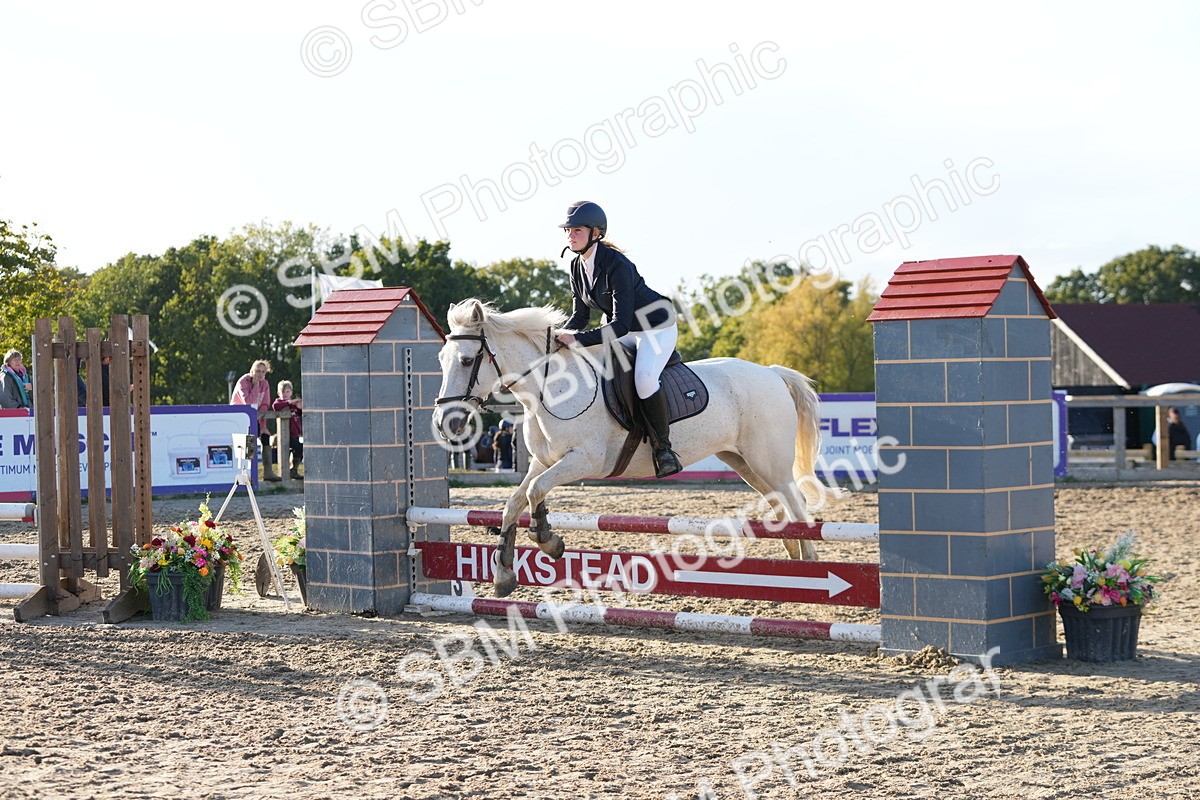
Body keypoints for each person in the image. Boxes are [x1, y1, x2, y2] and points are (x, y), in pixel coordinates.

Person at [554, 201, 682, 477]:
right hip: (621, 329)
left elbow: (620, 325)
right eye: (568, 230)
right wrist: (558, 337)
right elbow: (580, 317)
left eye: (577, 230)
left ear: (596, 233)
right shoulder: (576, 266)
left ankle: (664, 449)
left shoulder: (617, 264)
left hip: (654, 327)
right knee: (595, 367)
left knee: (644, 378)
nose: (570, 235)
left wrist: (577, 340)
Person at [230, 359, 280, 481]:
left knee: (265, 437)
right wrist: (256, 386)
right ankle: (248, 474)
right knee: (249, 443)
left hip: (255, 417)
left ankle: (268, 472)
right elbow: (248, 402)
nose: (260, 374)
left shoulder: (265, 384)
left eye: (263, 372)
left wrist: (263, 426)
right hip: (240, 418)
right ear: (252, 370)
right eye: (258, 371)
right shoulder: (243, 382)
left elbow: (264, 405)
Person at [272, 380, 304, 479]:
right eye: (283, 392)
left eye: (287, 392)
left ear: (291, 392)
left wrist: (300, 408)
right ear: (279, 393)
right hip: (285, 434)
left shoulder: (294, 405)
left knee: (300, 449)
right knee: (298, 447)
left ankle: (294, 469)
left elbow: (300, 415)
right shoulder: (280, 402)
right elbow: (276, 407)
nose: (285, 394)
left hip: (295, 434)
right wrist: (289, 402)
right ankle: (292, 470)